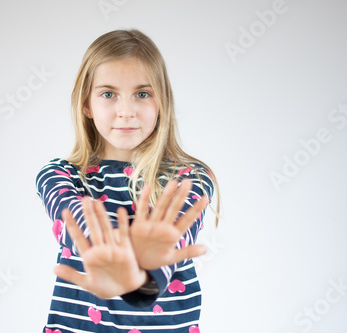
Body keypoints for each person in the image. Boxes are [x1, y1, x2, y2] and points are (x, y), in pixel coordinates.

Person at [36, 29, 220, 333]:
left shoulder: (191, 178)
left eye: (142, 94)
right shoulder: (60, 175)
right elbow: (75, 218)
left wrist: (138, 279)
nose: (126, 111)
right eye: (108, 94)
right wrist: (109, 254)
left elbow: (173, 234)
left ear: (161, 102)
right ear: (86, 104)